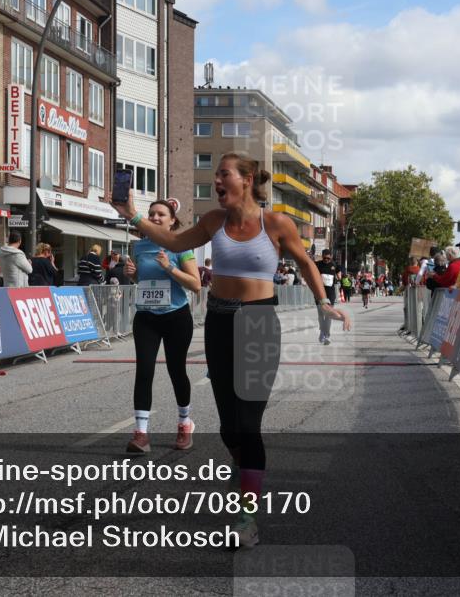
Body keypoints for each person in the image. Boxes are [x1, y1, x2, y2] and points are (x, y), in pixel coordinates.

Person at [112, 151, 350, 548]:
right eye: (217, 175)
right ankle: (248, 477)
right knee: (227, 428)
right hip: (220, 321)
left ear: (246, 179)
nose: (217, 180)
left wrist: (322, 301)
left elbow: (306, 263)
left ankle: (247, 516)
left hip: (258, 321)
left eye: (224, 174)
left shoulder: (275, 223)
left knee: (248, 422)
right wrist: (131, 214)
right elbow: (172, 239)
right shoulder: (212, 222)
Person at [123, 200, 202, 454]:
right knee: (144, 371)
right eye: (152, 214)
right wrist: (133, 274)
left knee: (176, 370)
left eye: (161, 214)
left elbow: (196, 285)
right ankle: (141, 434)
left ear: (172, 221)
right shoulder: (140, 246)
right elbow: (143, 280)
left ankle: (184, 422)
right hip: (146, 316)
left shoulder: (181, 246)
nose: (155, 217)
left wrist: (169, 267)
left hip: (176, 316)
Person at [315, 249, 339, 345]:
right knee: (321, 315)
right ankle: (322, 332)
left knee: (329, 314)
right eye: (325, 258)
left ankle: (327, 335)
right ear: (322, 256)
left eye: (328, 258)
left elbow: (339, 275)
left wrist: (339, 277)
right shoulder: (317, 264)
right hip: (319, 292)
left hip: (330, 293)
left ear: (331, 257)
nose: (326, 260)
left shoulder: (335, 265)